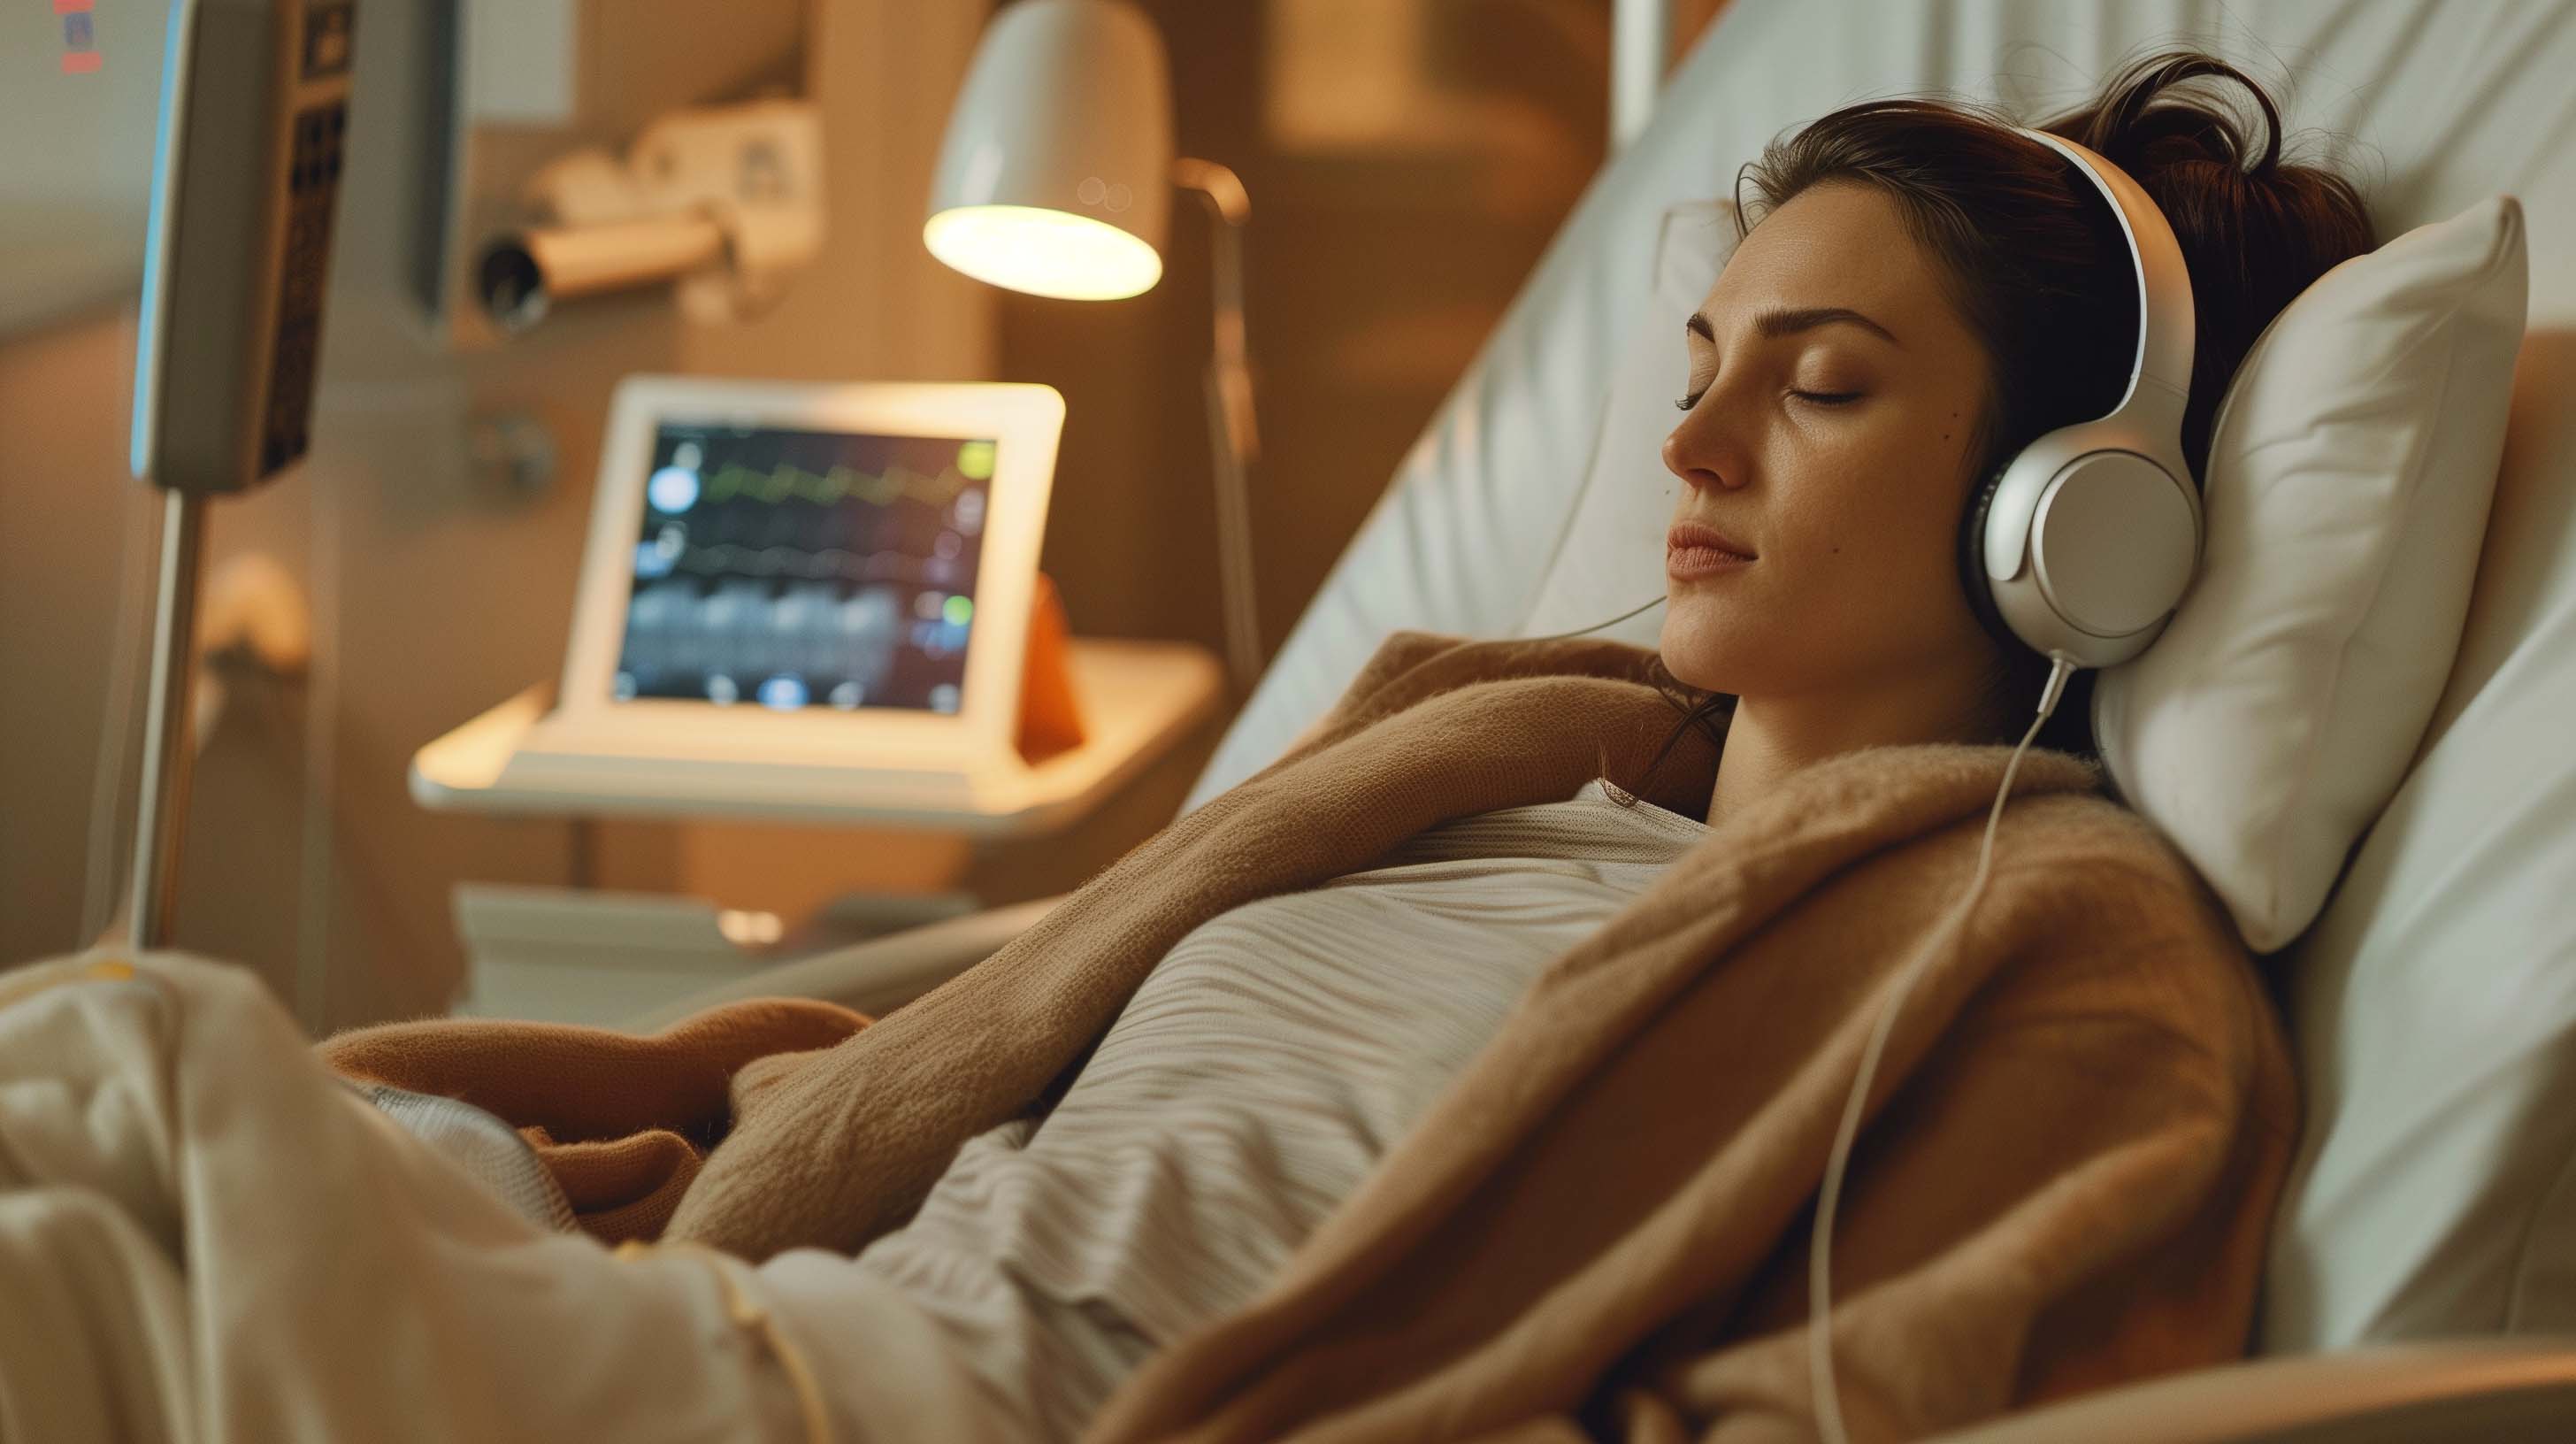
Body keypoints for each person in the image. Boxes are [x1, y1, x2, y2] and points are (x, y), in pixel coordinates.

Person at [0, 47, 2376, 1444]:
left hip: (935, 1412)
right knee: (97, 1103)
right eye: (1698, 367)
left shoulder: (2058, 955)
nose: (1693, 445)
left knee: (127, 1158)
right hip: (738, 1313)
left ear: (2071, 518)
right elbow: (991, 1044)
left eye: (1823, 385)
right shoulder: (1489, 757)